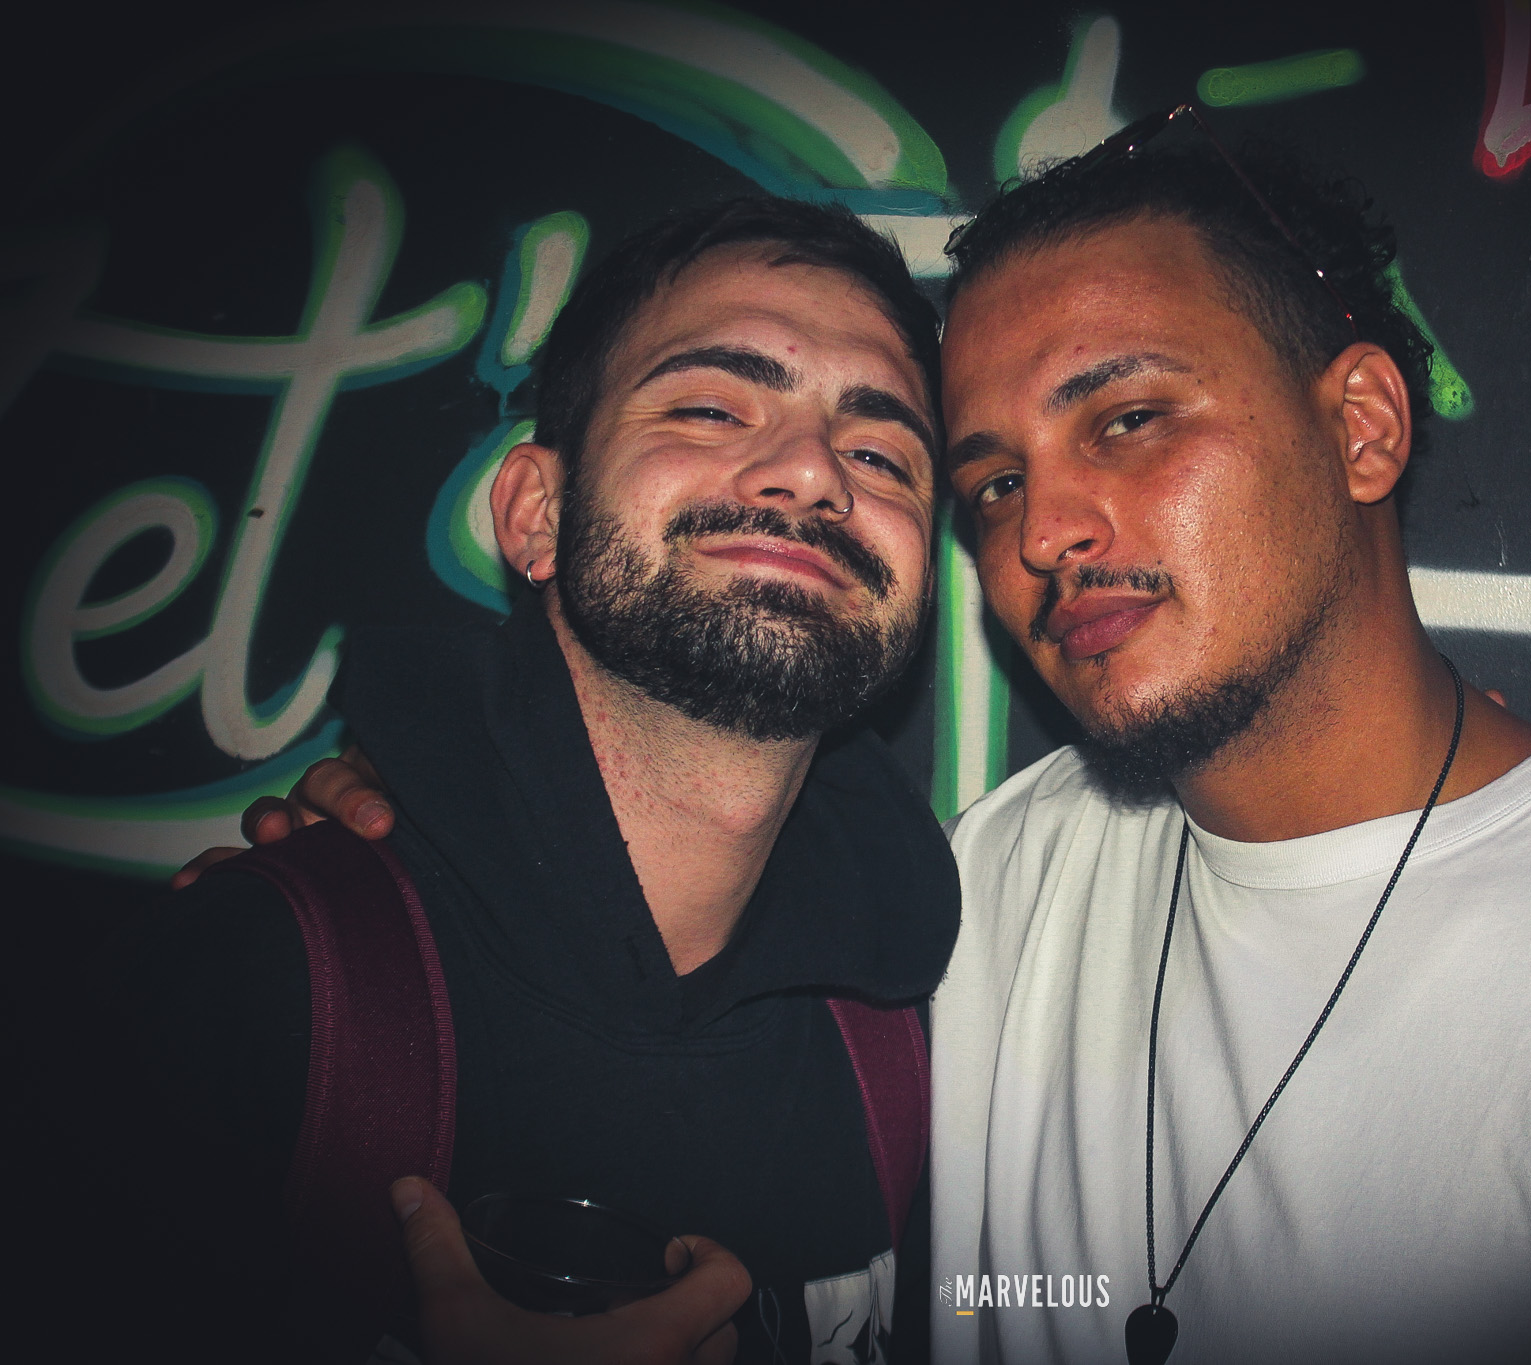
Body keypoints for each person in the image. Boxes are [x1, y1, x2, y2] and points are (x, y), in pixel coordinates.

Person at [224, 120, 1531, 1362]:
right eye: (990, 480)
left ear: (1362, 427)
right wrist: (421, 859)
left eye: (1128, 420)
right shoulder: (976, 889)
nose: (1047, 530)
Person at [128, 196, 958, 1365]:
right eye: (712, 407)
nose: (813, 470)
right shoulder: (261, 987)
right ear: (535, 513)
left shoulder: (922, 1037)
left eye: (879, 455)